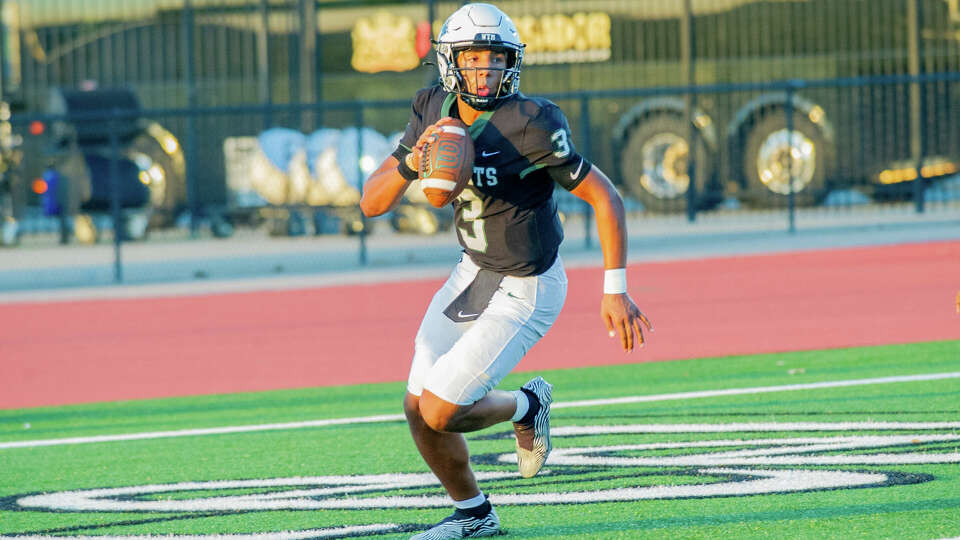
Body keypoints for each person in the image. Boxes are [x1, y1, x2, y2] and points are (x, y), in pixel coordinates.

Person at [360, 3, 652, 538]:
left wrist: (615, 289)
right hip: (473, 272)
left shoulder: (532, 123)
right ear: (450, 63)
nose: (485, 70)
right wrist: (410, 160)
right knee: (414, 406)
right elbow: (372, 203)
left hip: (528, 284)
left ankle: (528, 403)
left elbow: (605, 196)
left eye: (495, 59)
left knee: (441, 409)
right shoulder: (432, 108)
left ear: (512, 64)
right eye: (472, 59)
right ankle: (475, 514)